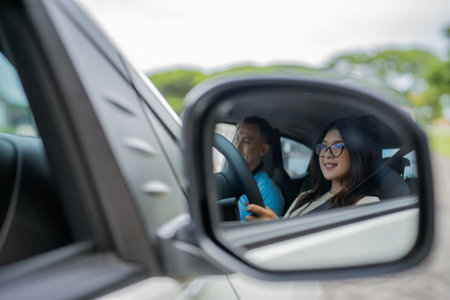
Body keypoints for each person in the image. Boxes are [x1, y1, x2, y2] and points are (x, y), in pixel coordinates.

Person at [246, 116, 380, 221]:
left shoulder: (366, 204)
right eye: (323, 147)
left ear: (357, 153)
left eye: (337, 147)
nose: (326, 154)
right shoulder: (305, 196)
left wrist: (276, 227)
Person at [234, 116, 285, 221]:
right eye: (237, 139)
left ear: (263, 149)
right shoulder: (229, 178)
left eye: (246, 141)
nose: (237, 146)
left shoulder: (270, 194)